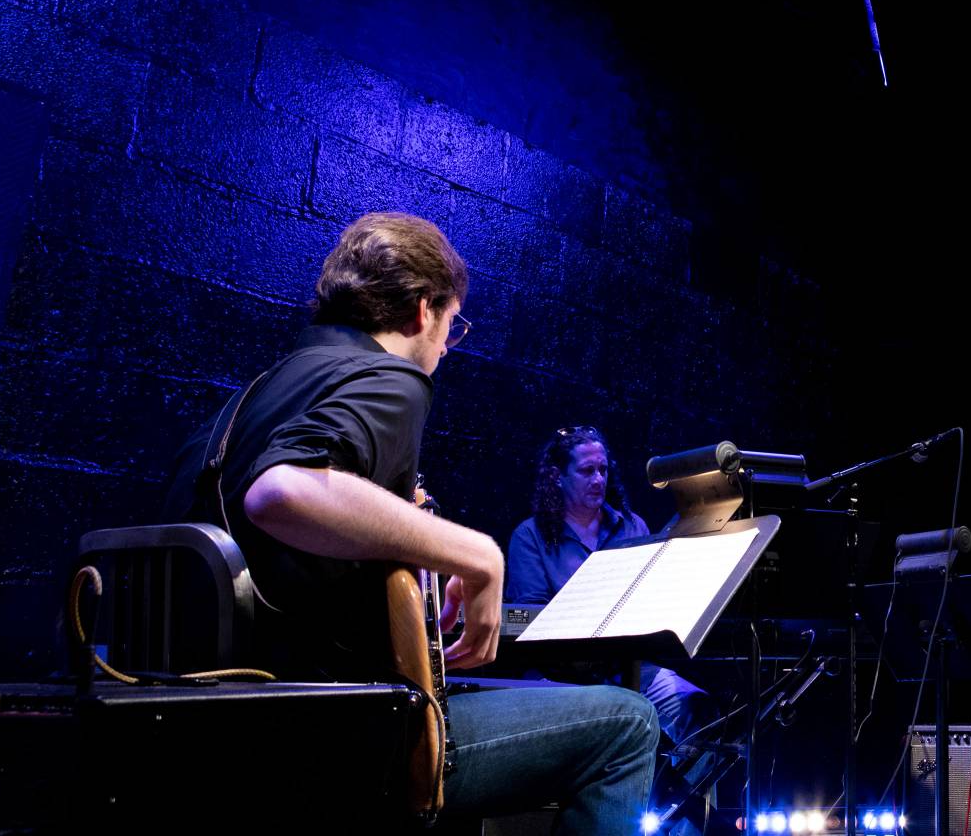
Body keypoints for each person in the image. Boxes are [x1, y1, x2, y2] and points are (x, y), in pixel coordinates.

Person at [163, 212, 657, 834]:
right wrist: (477, 555)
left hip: (216, 728)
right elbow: (280, 490)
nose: (448, 347)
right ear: (425, 310)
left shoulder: (258, 392)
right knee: (627, 721)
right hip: (329, 735)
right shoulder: (395, 378)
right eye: (454, 324)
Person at [505, 425, 721, 829]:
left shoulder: (632, 526)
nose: (598, 479)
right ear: (559, 476)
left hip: (633, 668)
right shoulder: (531, 536)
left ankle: (675, 820)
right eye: (587, 471)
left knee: (704, 716)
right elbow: (529, 619)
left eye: (603, 469)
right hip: (562, 677)